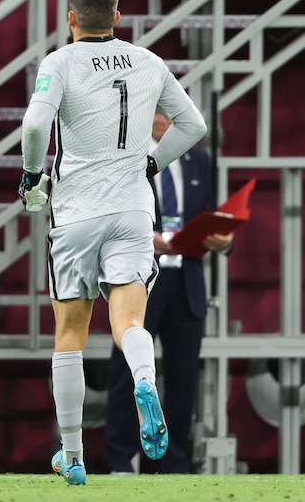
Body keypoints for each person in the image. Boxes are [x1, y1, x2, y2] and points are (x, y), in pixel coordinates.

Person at [18, 0, 208, 486]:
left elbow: (36, 126)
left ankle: (74, 455)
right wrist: (151, 164)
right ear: (118, 17)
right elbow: (194, 126)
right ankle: (145, 379)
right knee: (128, 324)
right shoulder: (149, 62)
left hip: (78, 211)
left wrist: (32, 177)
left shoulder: (59, 62)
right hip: (132, 211)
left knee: (70, 335)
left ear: (71, 18)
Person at [104, 110, 233, 474]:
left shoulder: (198, 159)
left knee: (183, 376)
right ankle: (119, 459)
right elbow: (109, 213)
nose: (166, 119)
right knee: (127, 370)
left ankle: (167, 462)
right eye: (159, 111)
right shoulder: (124, 155)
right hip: (141, 276)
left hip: (188, 278)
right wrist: (146, 239)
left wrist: (223, 240)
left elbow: (211, 213)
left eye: (172, 112)